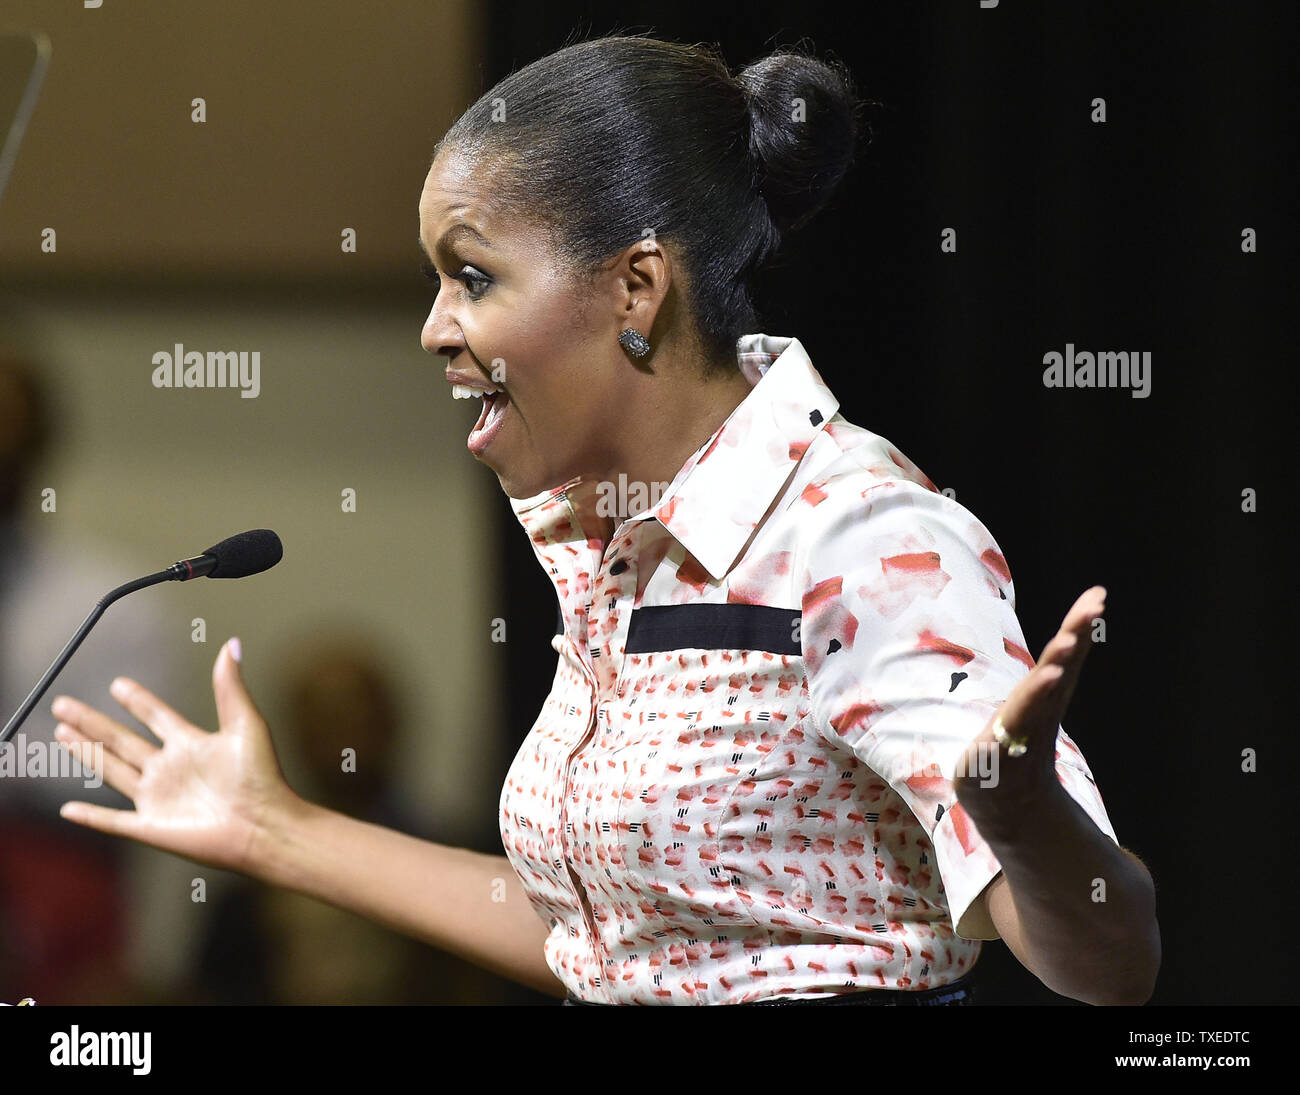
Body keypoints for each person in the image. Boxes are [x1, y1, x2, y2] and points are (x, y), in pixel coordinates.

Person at [45, 34, 1160, 1006]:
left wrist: (1023, 824)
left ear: (635, 288)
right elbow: (616, 951)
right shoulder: (607, 539)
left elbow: (1113, 964)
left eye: (471, 278)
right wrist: (272, 829)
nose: (434, 330)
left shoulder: (857, 539)